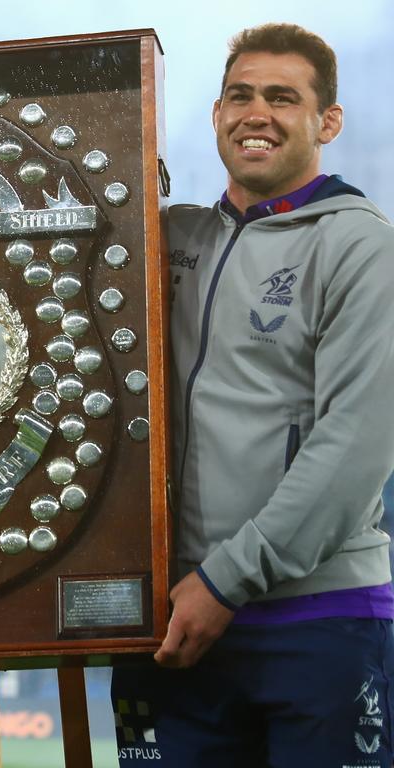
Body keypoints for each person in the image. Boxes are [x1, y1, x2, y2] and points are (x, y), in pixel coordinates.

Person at [113, 24, 394, 766]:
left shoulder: (360, 244)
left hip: (317, 620)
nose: (256, 113)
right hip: (172, 626)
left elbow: (356, 445)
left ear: (326, 122)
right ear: (215, 115)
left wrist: (224, 582)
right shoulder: (166, 239)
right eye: (240, 95)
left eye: (282, 97)